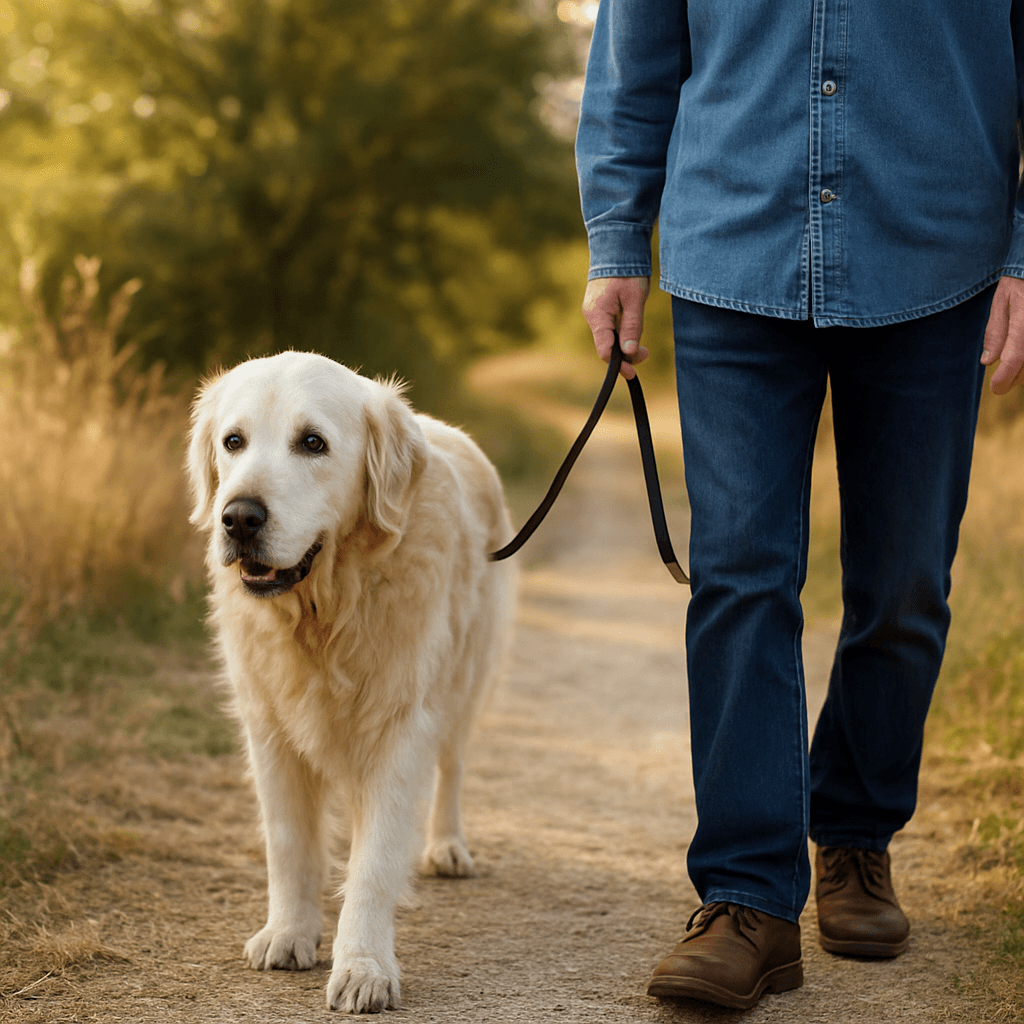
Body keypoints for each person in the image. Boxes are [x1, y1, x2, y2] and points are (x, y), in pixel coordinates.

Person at [575, 0, 1024, 1011]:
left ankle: (856, 834)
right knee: (739, 575)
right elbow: (633, 55)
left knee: (905, 584)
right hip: (732, 246)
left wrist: (1023, 255)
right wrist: (616, 242)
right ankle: (747, 898)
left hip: (937, 254)